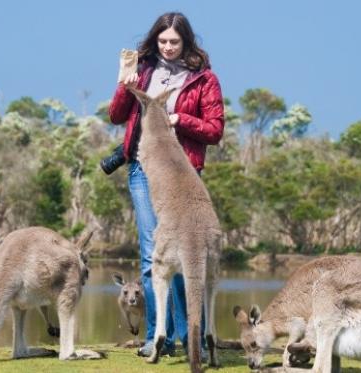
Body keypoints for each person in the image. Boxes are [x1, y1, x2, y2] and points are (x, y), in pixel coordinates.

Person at [108, 12, 224, 358]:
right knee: (152, 251)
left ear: (186, 42)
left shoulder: (203, 79)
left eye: (174, 41)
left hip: (183, 171)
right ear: (155, 41)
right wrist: (125, 85)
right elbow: (116, 115)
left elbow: (215, 130)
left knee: (188, 255)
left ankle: (191, 338)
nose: (168, 47)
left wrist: (179, 119)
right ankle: (157, 336)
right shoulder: (144, 70)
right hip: (144, 169)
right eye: (162, 41)